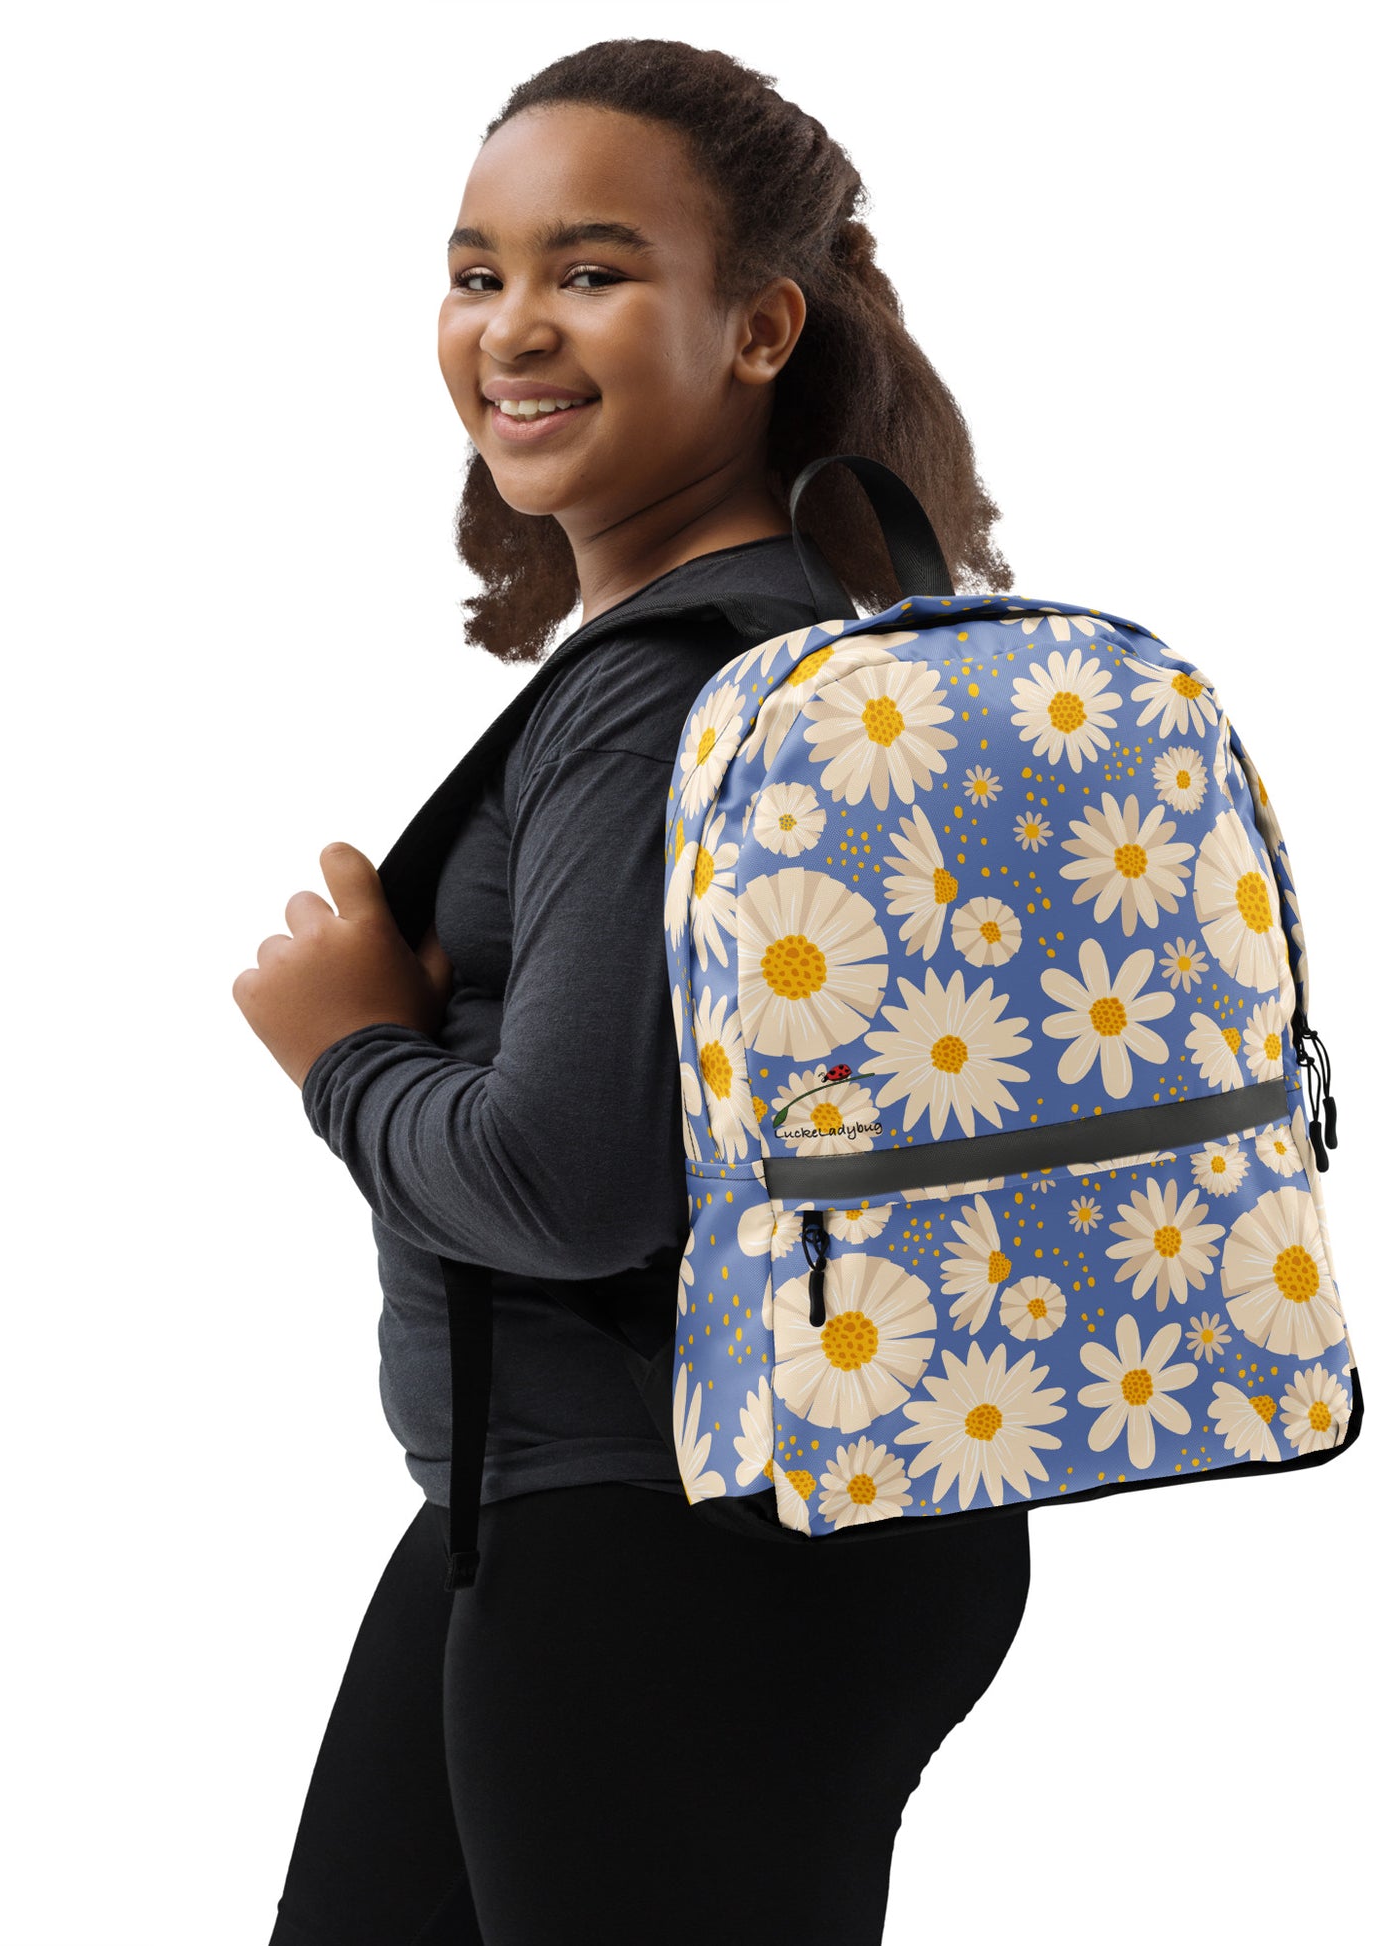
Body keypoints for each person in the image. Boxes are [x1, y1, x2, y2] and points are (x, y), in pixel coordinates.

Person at [232, 39, 1031, 1946]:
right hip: (741, 1508)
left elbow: (567, 1183)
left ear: (758, 328)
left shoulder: (659, 689)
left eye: (588, 271)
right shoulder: (826, 652)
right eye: (476, 270)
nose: (511, 326)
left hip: (656, 1545)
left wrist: (343, 1046)